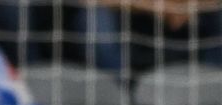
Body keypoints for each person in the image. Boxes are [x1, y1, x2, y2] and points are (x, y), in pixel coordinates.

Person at [72, 0, 222, 76]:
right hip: (129, 28)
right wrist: (156, 7)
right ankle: (117, 95)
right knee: (93, 19)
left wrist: (188, 6)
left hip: (190, 27)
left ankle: (212, 83)